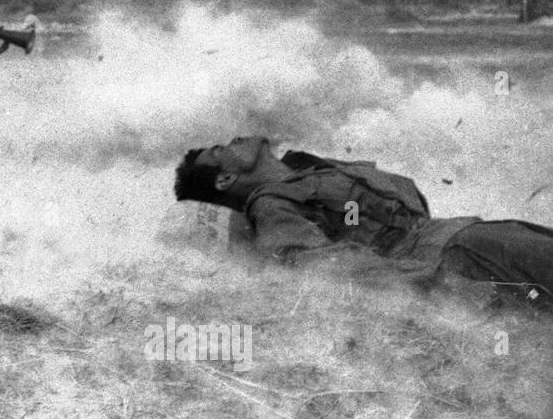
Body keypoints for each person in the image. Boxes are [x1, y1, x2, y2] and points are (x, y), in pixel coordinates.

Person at [173, 136, 553, 308]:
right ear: (224, 179)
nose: (235, 138)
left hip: (467, 235)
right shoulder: (272, 205)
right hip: (452, 254)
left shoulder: (307, 169)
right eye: (221, 150)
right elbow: (325, 266)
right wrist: (438, 287)